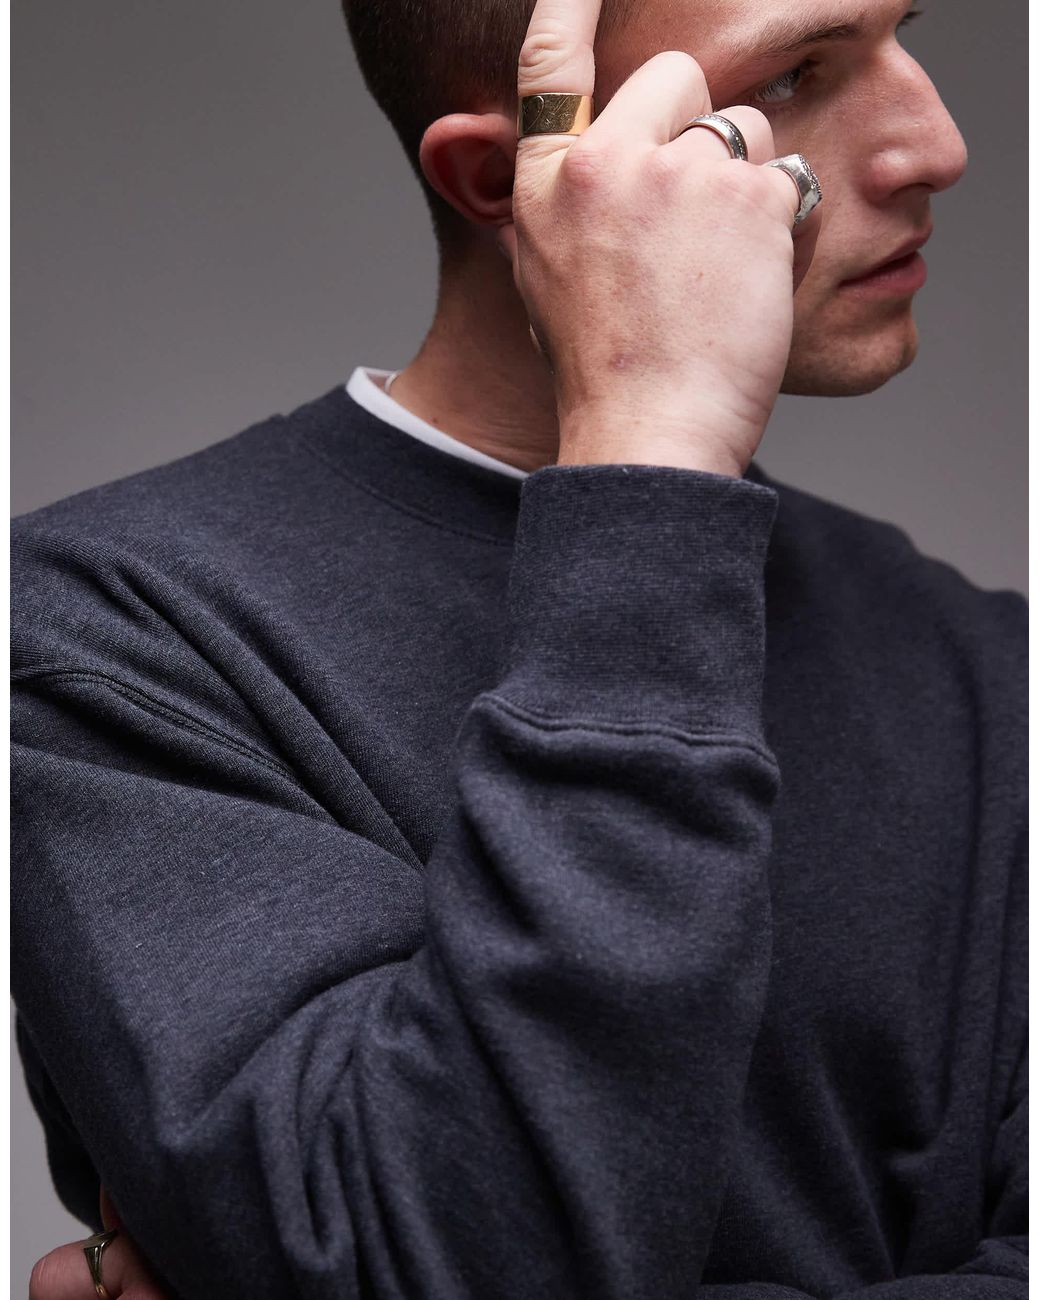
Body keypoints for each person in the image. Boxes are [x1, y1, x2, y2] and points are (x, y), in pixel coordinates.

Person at [14, 0, 1026, 1295]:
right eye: (793, 77)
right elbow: (451, 1262)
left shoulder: (986, 663)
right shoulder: (112, 637)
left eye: (904, 32)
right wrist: (650, 454)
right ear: (510, 181)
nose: (935, 144)